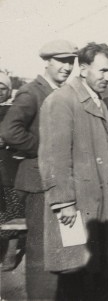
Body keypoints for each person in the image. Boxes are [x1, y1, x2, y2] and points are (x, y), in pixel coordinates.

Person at [38, 42, 108, 300]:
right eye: (102, 71)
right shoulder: (62, 100)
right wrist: (64, 202)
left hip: (100, 202)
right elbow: (54, 157)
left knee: (97, 270)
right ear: (84, 68)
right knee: (75, 271)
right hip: (75, 205)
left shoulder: (97, 101)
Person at [0, 39, 77, 299]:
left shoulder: (67, 93)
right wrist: (45, 148)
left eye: (71, 61)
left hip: (64, 182)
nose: (67, 67)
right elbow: (10, 132)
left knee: (68, 246)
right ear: (47, 62)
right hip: (37, 183)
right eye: (61, 60)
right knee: (41, 252)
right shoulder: (32, 92)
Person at [0, 72, 24, 271]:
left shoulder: (14, 111)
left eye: (3, 88)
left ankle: (10, 252)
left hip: (8, 170)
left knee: (11, 212)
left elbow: (21, 135)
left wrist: (8, 141)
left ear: (9, 90)